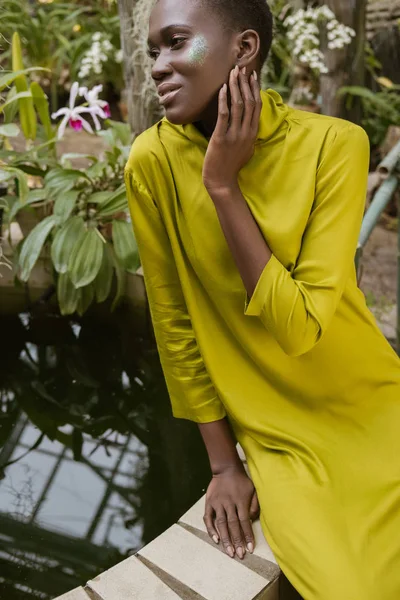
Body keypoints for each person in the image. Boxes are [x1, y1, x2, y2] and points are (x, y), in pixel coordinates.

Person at [124, 0, 400, 598]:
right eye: (154, 52)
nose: (159, 66)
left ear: (244, 49)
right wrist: (224, 464)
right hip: (284, 440)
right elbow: (174, 324)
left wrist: (224, 186)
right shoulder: (153, 161)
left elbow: (301, 327)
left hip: (374, 405)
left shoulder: (335, 145)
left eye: (176, 42)